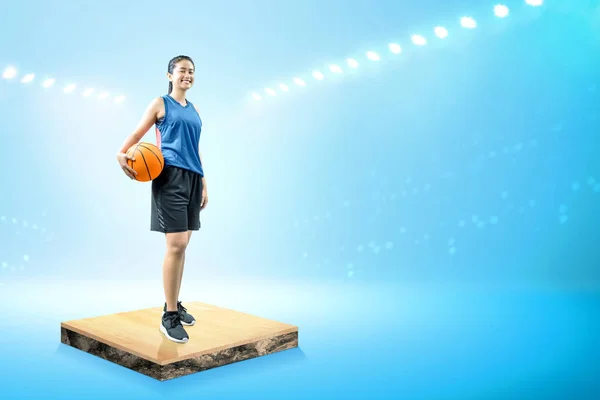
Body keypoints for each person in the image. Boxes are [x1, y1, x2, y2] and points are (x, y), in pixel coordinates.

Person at [116, 55, 207, 344]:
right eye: (182, 71)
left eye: (191, 72)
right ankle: (169, 316)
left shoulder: (194, 110)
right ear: (169, 75)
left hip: (193, 178)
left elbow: (196, 148)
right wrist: (122, 153)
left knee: (183, 247)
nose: (187, 75)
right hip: (169, 177)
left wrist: (204, 182)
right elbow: (135, 134)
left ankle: (175, 304)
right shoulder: (160, 104)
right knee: (176, 245)